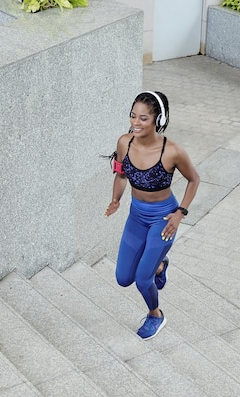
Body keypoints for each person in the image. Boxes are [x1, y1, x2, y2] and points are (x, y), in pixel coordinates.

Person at [105, 91, 200, 340]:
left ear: (158, 119)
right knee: (123, 278)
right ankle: (160, 265)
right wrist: (116, 199)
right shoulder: (124, 143)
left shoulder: (172, 151)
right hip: (137, 215)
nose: (136, 122)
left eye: (144, 118)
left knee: (141, 279)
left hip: (164, 218)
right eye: (133, 116)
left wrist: (181, 213)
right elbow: (122, 174)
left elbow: (194, 179)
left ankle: (155, 314)